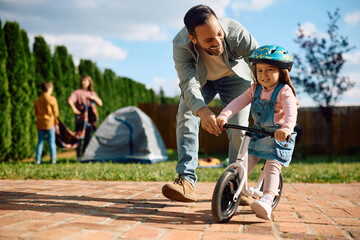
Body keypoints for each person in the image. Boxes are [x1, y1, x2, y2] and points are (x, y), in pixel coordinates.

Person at [162, 4, 259, 202]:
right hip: (202, 81)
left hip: (236, 79)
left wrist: (284, 91)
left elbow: (260, 62)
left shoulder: (235, 31)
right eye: (208, 40)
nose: (217, 42)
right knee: (186, 113)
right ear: (193, 39)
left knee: (239, 129)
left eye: (218, 34)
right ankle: (186, 180)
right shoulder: (180, 45)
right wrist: (202, 111)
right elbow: (188, 84)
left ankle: (235, 185)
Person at [216, 45, 298, 220]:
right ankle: (233, 193)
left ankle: (267, 198)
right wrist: (224, 115)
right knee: (244, 163)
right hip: (258, 133)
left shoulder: (284, 91)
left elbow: (291, 113)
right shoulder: (255, 89)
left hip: (278, 137)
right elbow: (238, 102)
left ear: (282, 72)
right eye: (259, 70)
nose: (263, 74)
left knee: (272, 166)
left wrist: (286, 129)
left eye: (270, 70)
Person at [68, 75, 103, 158]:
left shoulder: (92, 93)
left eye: (85, 81)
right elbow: (70, 100)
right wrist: (74, 109)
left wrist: (93, 98)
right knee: (79, 137)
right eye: (82, 81)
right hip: (81, 118)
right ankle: (78, 156)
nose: (83, 82)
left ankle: (85, 156)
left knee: (88, 137)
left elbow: (100, 103)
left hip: (90, 119)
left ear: (89, 82)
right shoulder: (77, 92)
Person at [34, 81, 59, 165]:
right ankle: (53, 159)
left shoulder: (38, 100)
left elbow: (36, 112)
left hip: (40, 123)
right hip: (50, 123)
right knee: (51, 141)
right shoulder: (52, 99)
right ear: (49, 89)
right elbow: (56, 112)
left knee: (40, 142)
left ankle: (38, 160)